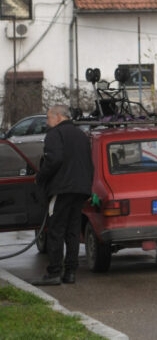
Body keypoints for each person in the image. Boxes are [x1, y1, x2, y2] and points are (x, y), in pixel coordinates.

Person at [32, 105, 93, 286]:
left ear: (58, 117)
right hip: (80, 190)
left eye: (48, 118)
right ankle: (71, 272)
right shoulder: (81, 135)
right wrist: (87, 188)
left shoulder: (54, 135)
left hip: (61, 189)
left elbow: (54, 159)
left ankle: (54, 272)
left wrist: (40, 177)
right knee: (73, 232)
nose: (46, 122)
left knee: (56, 231)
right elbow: (90, 164)